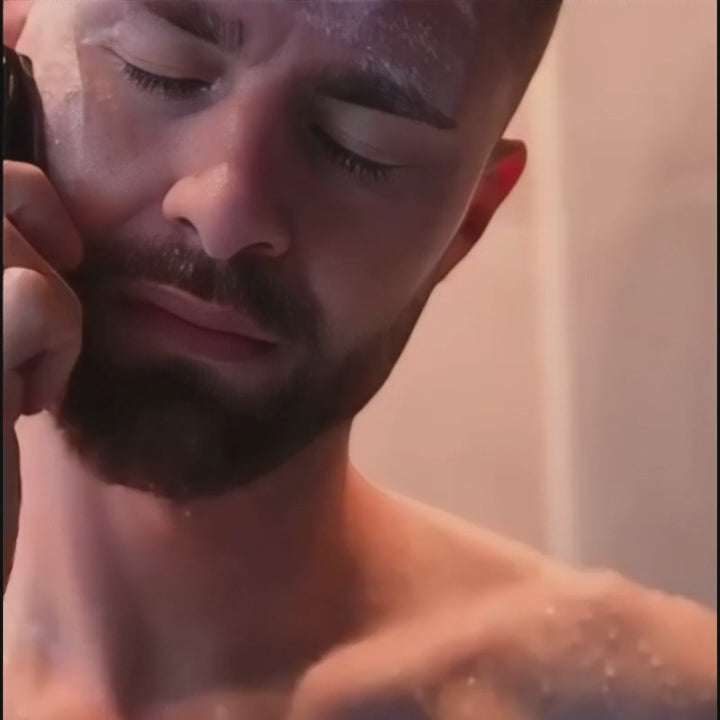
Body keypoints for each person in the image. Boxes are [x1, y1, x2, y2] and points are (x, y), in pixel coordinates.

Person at [3, 0, 716, 717]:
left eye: (361, 147)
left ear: (468, 220)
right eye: (159, 72)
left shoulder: (639, 699)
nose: (226, 213)